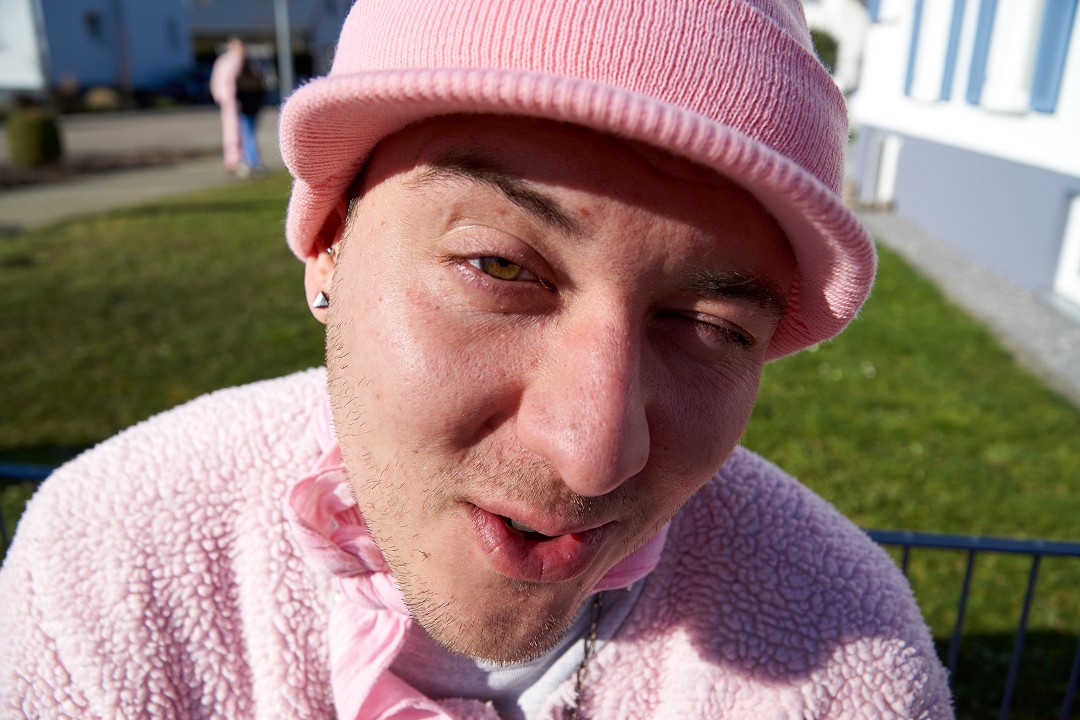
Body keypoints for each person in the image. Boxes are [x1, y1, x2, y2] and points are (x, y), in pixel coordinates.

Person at [0, 1, 954, 718]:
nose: (594, 454)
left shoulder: (844, 662)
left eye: (711, 326)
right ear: (329, 244)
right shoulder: (108, 572)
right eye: (499, 266)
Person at [209, 37, 245, 174]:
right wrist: (221, 96)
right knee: (232, 130)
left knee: (241, 129)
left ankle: (240, 158)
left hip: (239, 99)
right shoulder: (226, 60)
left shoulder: (240, 59)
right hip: (230, 99)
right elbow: (217, 80)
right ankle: (233, 159)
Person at [235, 57, 267, 177]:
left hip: (245, 112)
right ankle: (252, 161)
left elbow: (238, 97)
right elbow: (262, 95)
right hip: (255, 111)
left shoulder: (240, 80)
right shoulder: (256, 79)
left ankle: (252, 162)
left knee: (248, 136)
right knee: (251, 135)